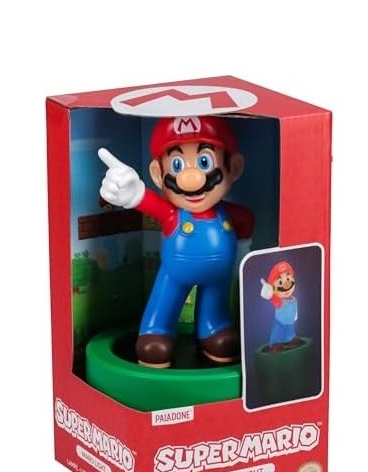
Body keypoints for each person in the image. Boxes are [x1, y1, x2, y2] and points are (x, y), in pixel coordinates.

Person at [99, 116, 254, 368]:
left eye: (204, 162)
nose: (191, 179)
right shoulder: (173, 214)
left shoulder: (232, 214)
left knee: (217, 311)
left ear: (233, 168)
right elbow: (146, 200)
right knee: (165, 302)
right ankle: (156, 329)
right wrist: (132, 192)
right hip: (174, 274)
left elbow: (246, 222)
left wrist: (241, 257)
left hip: (219, 277)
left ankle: (214, 327)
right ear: (157, 174)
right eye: (177, 165)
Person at [260, 261, 302, 352]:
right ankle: (275, 343)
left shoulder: (293, 299)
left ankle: (289, 339)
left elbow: (295, 310)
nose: (286, 285)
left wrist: (295, 317)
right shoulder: (278, 300)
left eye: (288, 278)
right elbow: (270, 296)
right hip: (280, 323)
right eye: (280, 282)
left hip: (291, 322)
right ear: (273, 288)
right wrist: (268, 292)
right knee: (278, 332)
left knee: (290, 332)